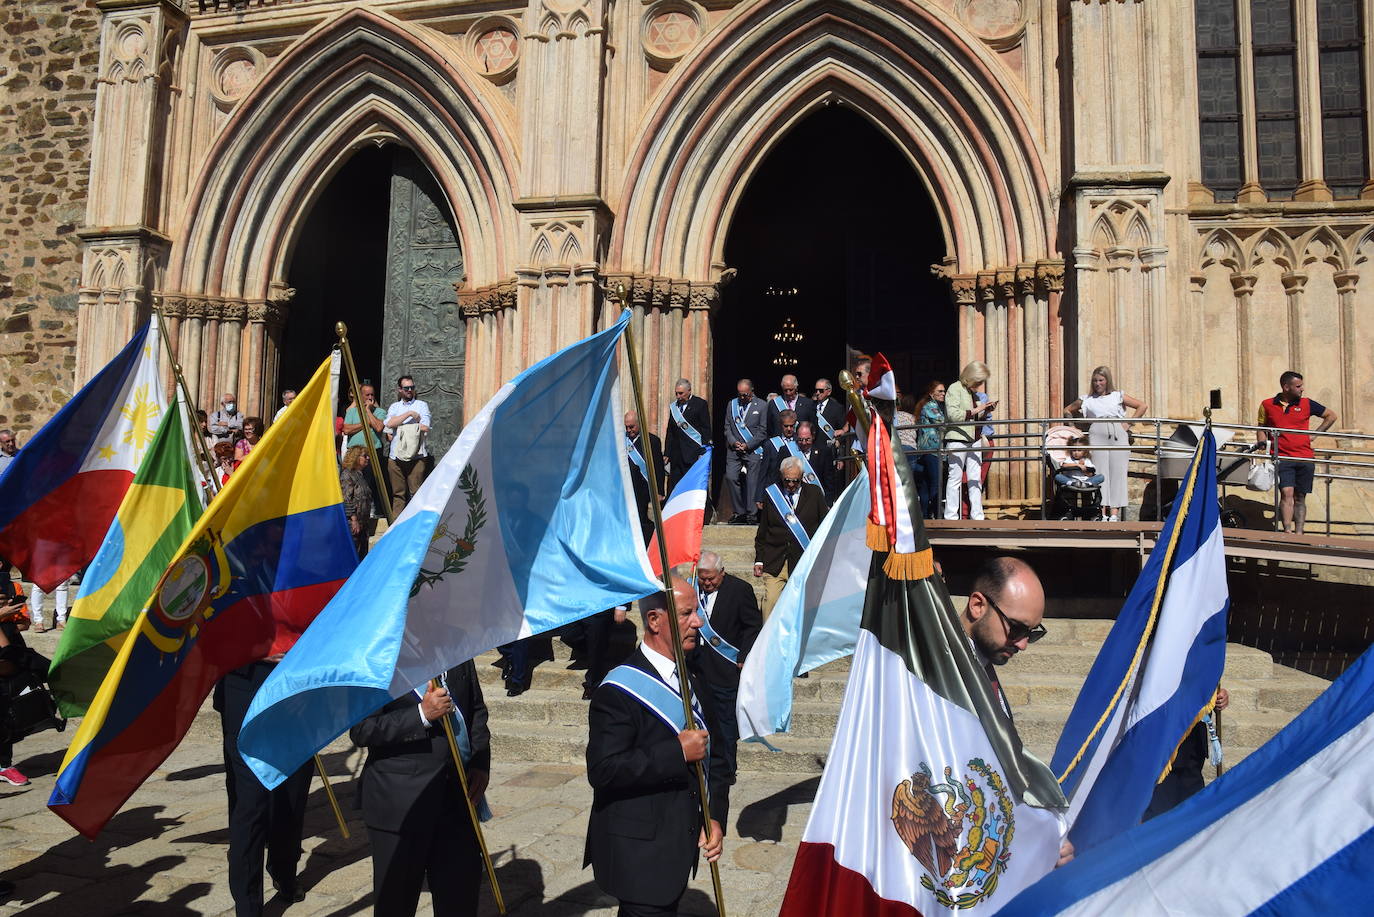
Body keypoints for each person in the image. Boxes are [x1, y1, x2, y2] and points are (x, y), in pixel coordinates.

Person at [585, 576, 730, 916]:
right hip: (639, 854)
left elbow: (720, 757)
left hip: (680, 843)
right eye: (686, 613)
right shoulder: (618, 689)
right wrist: (676, 752)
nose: (697, 622)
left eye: (695, 612)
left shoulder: (694, 679)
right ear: (654, 620)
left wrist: (716, 817)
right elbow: (604, 770)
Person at [957, 555, 1075, 867]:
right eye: (1017, 628)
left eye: (1032, 633)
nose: (1022, 644)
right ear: (978, 606)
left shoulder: (977, 666)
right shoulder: (939, 678)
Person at [350, 660, 490, 917]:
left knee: (460, 896)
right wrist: (422, 714)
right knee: (397, 902)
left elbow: (476, 710)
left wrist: (480, 762)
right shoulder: (375, 657)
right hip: (401, 803)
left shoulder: (457, 645)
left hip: (457, 797)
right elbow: (362, 729)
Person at [216, 661, 313, 916]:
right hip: (246, 687)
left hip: (298, 688)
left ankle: (284, 872)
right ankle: (248, 906)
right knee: (250, 805)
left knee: (293, 793)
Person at [687, 551, 762, 784]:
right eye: (703, 579)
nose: (707, 583)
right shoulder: (692, 590)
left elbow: (752, 626)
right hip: (696, 667)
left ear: (722, 572)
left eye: (711, 579)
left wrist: (744, 655)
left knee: (725, 725)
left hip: (726, 669)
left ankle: (726, 770)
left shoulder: (740, 590)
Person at [1256, 370, 1337, 535]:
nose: (1302, 389)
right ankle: (1287, 531)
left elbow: (1331, 416)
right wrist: (1262, 442)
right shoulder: (1266, 404)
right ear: (1286, 387)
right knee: (1287, 493)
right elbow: (1261, 426)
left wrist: (1314, 435)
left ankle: (1299, 532)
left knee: (1300, 497)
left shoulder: (1307, 403)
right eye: (1298, 386)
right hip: (1283, 457)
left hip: (1305, 457)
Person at [1064, 366, 1147, 522]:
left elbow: (1142, 406)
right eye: (1095, 380)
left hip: (1117, 432)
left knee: (1118, 473)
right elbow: (1067, 410)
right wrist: (1073, 428)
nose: (1098, 383)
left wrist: (1128, 424)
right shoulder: (1086, 399)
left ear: (1107, 380)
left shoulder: (1118, 395)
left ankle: (1114, 513)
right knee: (1100, 472)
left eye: (1101, 380)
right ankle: (1102, 512)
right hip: (1097, 432)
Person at [753, 457, 827, 617]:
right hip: (775, 560)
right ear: (781, 476)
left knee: (803, 608)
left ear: (802, 477)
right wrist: (759, 559)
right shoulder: (773, 494)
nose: (791, 485)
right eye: (787, 480)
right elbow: (763, 530)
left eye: (796, 481)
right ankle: (768, 641)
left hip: (804, 561)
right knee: (770, 602)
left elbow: (824, 526)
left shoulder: (814, 493)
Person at [1145, 686, 1229, 819]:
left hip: (1193, 752)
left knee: (1192, 817)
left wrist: (1217, 697)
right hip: (1164, 750)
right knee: (1159, 818)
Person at [944, 362, 997, 521]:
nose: (980, 385)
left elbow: (973, 418)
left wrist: (986, 410)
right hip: (957, 439)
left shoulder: (971, 393)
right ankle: (951, 517)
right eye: (979, 381)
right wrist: (977, 410)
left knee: (975, 478)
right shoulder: (955, 388)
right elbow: (953, 415)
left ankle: (977, 516)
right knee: (955, 478)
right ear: (971, 377)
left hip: (974, 439)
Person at [385, 375, 432, 516]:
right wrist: (410, 414)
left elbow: (425, 426)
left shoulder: (422, 405)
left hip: (416, 457)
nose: (410, 390)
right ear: (399, 389)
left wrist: (400, 425)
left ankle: (415, 526)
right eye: (406, 388)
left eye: (412, 387)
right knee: (398, 495)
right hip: (395, 457)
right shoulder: (394, 407)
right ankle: (396, 528)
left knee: (416, 494)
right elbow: (388, 424)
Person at [723, 379, 767, 524]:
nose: (742, 398)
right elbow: (727, 427)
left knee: (752, 481)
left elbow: (763, 431)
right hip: (734, 449)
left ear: (752, 391)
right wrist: (732, 441)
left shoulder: (761, 405)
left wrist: (748, 445)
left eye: (745, 395)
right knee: (730, 477)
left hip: (753, 449)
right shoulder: (732, 404)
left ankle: (751, 514)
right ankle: (739, 512)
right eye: (740, 394)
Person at [342, 384, 390, 519]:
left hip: (373, 451)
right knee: (352, 481)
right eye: (367, 395)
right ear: (361, 396)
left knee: (371, 482)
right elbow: (346, 430)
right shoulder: (351, 412)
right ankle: (352, 511)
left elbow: (379, 427)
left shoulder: (379, 412)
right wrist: (365, 423)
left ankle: (373, 509)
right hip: (355, 453)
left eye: (372, 395)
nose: (370, 397)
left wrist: (368, 411)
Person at [625, 410, 666, 542]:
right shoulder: (621, 440)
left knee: (641, 517)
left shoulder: (652, 441)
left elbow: (658, 468)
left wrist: (659, 491)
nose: (628, 430)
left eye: (631, 426)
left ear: (639, 424)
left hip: (642, 488)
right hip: (625, 488)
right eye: (626, 427)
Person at [663, 378, 710, 492]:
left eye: (681, 393)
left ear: (689, 391)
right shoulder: (674, 407)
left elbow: (705, 428)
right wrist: (667, 453)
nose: (678, 396)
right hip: (676, 454)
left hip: (692, 453)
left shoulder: (700, 404)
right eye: (676, 393)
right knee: (675, 486)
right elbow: (670, 431)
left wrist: (704, 451)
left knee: (692, 485)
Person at [913, 381, 947, 518]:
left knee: (926, 484)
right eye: (940, 391)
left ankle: (925, 515)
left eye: (944, 391)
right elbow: (942, 422)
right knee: (935, 482)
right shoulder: (931, 406)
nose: (943, 393)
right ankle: (936, 513)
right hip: (932, 450)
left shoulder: (935, 406)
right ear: (931, 393)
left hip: (928, 451)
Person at [340, 445, 373, 558]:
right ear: (356, 458)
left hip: (363, 523)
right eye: (365, 456)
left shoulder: (360, 475)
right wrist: (353, 520)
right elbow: (346, 498)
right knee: (353, 555)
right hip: (353, 524)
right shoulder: (347, 475)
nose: (367, 458)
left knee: (362, 555)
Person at [757, 409, 798, 500]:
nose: (789, 429)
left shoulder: (800, 442)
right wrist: (759, 497)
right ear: (780, 425)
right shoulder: (770, 444)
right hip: (776, 489)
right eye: (786, 426)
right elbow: (764, 471)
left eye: (791, 426)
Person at [794, 421, 837, 501]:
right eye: (800, 439)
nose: (804, 443)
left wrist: (828, 503)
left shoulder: (824, 452)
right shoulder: (789, 450)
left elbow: (829, 481)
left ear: (813, 436)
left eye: (807, 440)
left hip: (816, 500)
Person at [811, 378, 847, 446]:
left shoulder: (837, 408)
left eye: (821, 390)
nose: (817, 393)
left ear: (829, 391)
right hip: (813, 446)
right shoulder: (810, 405)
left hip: (828, 447)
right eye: (816, 390)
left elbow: (843, 429)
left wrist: (838, 441)